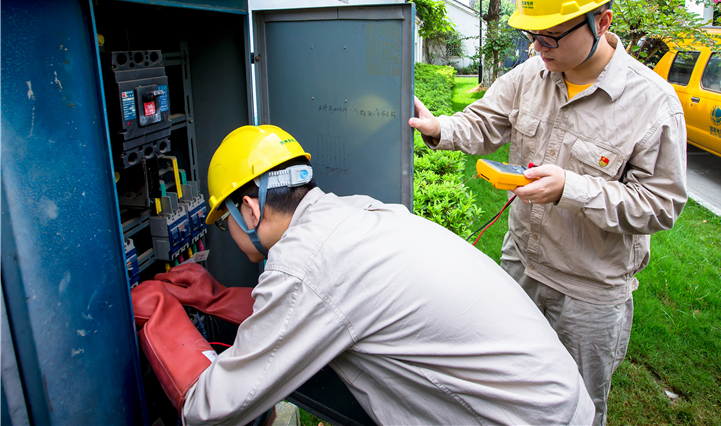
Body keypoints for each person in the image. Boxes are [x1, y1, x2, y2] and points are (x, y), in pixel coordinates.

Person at [132, 124, 595, 426]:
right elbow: (312, 307)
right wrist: (213, 297)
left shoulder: (306, 262)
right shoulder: (351, 215)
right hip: (558, 397)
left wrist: (158, 314)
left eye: (222, 221)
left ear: (249, 209)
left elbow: (210, 408)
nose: (225, 231)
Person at [408, 0, 688, 426]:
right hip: (522, 265)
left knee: (577, 408)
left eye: (551, 37)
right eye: (534, 36)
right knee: (511, 391)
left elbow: (661, 205)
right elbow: (483, 122)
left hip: (588, 294)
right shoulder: (530, 74)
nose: (538, 48)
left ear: (601, 22)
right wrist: (439, 129)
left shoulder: (653, 104)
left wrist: (571, 188)